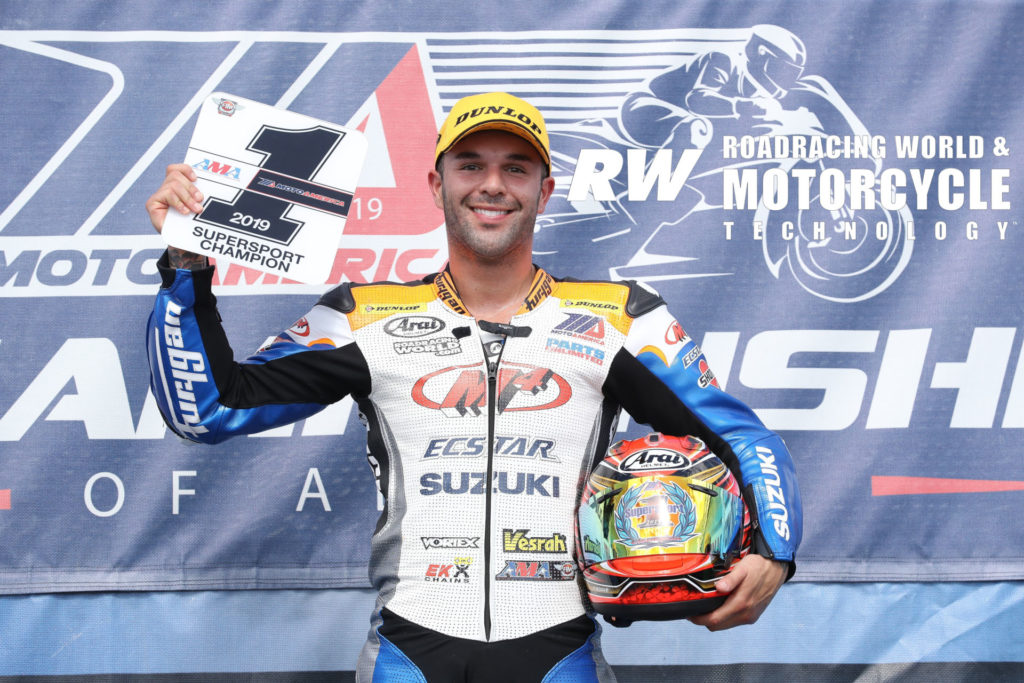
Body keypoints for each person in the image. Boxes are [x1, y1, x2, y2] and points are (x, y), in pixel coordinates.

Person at [146, 91, 801, 683]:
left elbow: (744, 437)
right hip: (409, 648)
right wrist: (186, 265)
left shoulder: (621, 316)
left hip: (560, 648)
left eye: (516, 167)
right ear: (436, 185)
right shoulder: (361, 313)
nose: (493, 185)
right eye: (471, 165)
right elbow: (206, 407)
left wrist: (775, 550)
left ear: (545, 191)